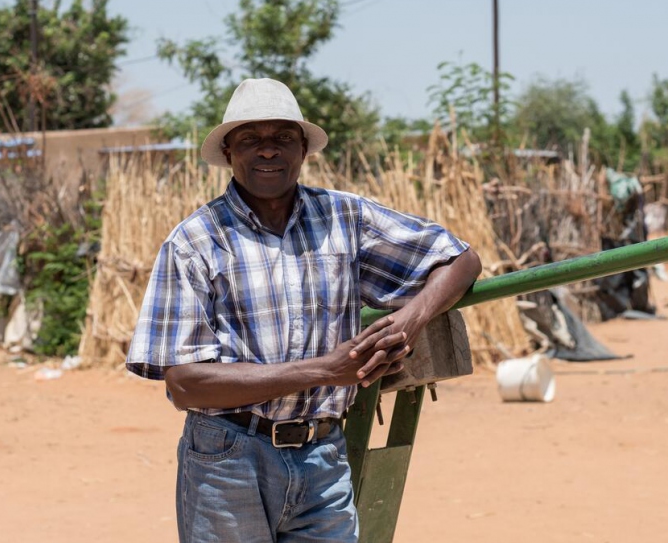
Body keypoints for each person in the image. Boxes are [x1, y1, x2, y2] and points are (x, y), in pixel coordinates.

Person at [126, 78, 482, 543]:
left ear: (304, 149)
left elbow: (461, 259)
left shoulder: (344, 218)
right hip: (228, 457)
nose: (268, 151)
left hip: (323, 454)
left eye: (282, 138)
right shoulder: (196, 240)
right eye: (251, 138)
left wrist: (406, 324)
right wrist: (323, 371)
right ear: (230, 151)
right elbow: (185, 384)